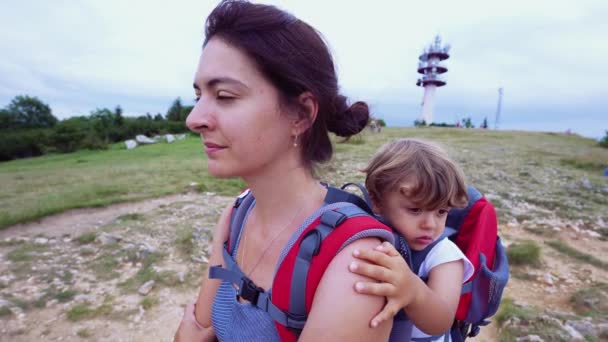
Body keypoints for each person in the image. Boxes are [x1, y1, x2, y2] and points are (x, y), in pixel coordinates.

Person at [173, 1, 393, 341]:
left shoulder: (355, 265)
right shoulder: (236, 215)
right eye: (199, 95)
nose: (194, 119)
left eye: (225, 95)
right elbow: (196, 328)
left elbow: (193, 333)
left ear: (301, 115)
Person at [349, 138, 475, 341]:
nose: (430, 224)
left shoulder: (444, 255)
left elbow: (442, 321)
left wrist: (414, 291)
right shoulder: (371, 238)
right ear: (376, 201)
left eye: (442, 212)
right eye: (415, 210)